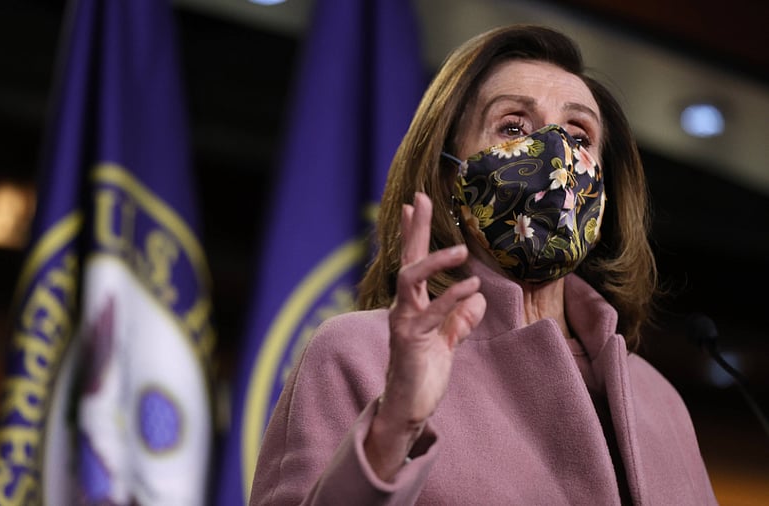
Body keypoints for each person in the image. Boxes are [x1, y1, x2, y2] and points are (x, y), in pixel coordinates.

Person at [249, 24, 717, 505]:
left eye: (579, 136)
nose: (557, 155)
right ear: (450, 173)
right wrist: (393, 430)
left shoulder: (660, 402)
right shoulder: (361, 355)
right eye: (513, 127)